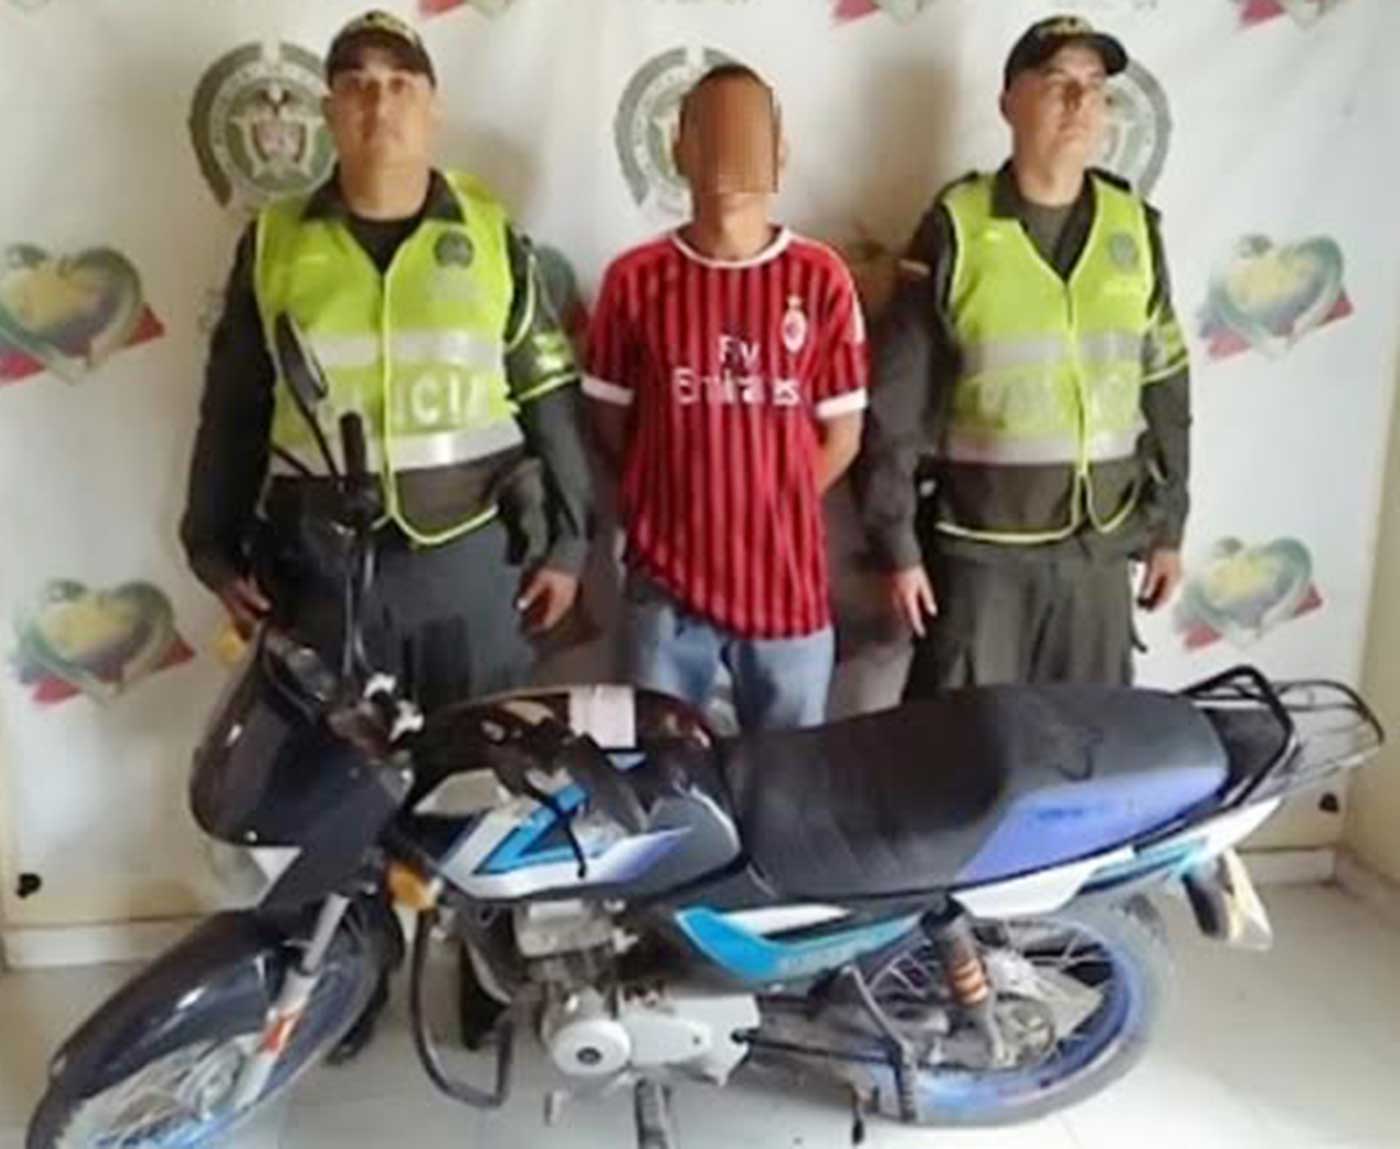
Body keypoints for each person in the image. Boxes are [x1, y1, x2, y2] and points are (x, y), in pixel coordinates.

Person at [179, 10, 592, 1056]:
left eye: (400, 83)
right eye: (356, 83)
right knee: (334, 791)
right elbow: (232, 408)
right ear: (329, 110)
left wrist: (571, 541)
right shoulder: (276, 242)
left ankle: (491, 988)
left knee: (489, 787)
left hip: (471, 564)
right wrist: (212, 544)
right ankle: (346, 992)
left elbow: (549, 399)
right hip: (325, 568)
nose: (378, 102)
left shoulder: (491, 233)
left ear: (432, 107)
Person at [858, 15, 1191, 693]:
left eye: (1094, 86)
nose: (1079, 102)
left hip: (1099, 554)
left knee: (1091, 739)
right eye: (1057, 81)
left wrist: (1171, 527)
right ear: (1009, 102)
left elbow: (1166, 386)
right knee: (967, 741)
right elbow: (897, 404)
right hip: (984, 556)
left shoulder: (1133, 228)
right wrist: (898, 546)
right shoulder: (957, 226)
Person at [587, 64, 868, 731]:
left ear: (779, 153)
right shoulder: (634, 281)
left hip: (788, 596)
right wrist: (682, 498)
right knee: (662, 779)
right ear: (678, 151)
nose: (726, 157)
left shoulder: (821, 278)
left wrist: (768, 497)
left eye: (744, 136)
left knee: (789, 780)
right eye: (707, 135)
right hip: (666, 599)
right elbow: (608, 423)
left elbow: (842, 437)